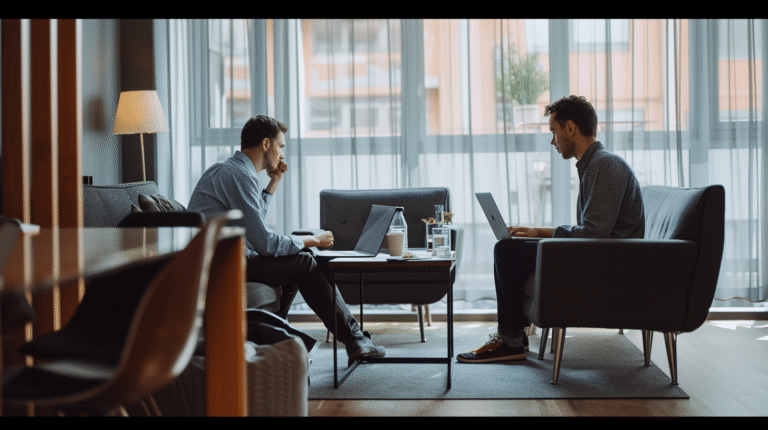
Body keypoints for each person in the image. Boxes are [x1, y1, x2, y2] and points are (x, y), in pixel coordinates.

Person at [457, 95, 645, 363]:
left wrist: (539, 232)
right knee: (510, 247)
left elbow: (593, 235)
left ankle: (510, 341)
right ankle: (513, 337)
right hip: (602, 256)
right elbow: (592, 232)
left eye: (554, 132)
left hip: (609, 265)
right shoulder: (594, 165)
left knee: (508, 251)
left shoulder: (605, 165)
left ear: (570, 128)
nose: (552, 141)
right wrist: (536, 233)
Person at [188, 115, 385, 364]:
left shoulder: (231, 171)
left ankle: (281, 340)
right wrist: (311, 240)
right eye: (280, 146)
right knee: (303, 263)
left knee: (297, 261)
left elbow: (253, 224)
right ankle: (353, 337)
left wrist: (274, 181)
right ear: (266, 144)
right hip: (219, 265)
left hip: (226, 258)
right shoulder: (238, 175)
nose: (282, 153)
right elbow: (266, 244)